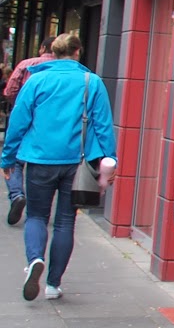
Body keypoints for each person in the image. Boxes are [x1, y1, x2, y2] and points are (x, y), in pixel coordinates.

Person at [0, 34, 117, 300]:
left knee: (36, 216)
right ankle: (53, 285)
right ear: (77, 52)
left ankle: (35, 259)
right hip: (77, 163)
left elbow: (18, 122)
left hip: (39, 159)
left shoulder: (37, 80)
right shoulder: (92, 82)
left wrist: (7, 159)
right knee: (65, 221)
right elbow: (103, 126)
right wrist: (110, 162)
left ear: (53, 52)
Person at [2, 48, 56, 226]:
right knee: (43, 162)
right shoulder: (65, 70)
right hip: (49, 124)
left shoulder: (27, 65)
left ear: (42, 49)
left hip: (25, 117)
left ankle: (17, 194)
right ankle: (40, 208)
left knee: (16, 161)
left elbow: (10, 90)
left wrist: (17, 103)